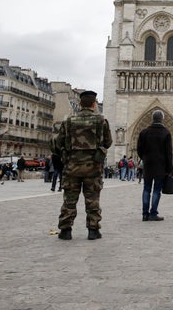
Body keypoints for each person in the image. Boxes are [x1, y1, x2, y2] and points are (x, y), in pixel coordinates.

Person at [56, 90, 112, 240]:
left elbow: (58, 142)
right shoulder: (101, 120)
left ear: (80, 103)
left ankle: (65, 230)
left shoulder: (68, 121)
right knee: (92, 199)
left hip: (71, 167)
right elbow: (108, 142)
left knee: (69, 200)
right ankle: (93, 230)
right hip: (93, 167)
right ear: (94, 104)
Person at [137, 109, 173, 221]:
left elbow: (139, 150)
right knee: (157, 190)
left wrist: (145, 158)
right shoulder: (166, 133)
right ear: (162, 119)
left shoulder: (144, 132)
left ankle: (144, 214)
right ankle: (153, 214)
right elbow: (168, 153)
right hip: (160, 166)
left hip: (148, 164)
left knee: (146, 189)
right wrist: (169, 168)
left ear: (152, 118)